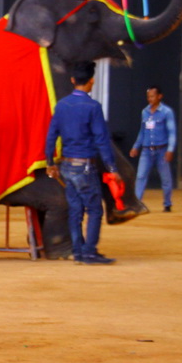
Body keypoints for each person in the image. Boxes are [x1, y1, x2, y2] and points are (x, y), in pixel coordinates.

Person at [44, 62, 122, 265]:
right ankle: (89, 252)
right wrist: (112, 168)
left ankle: (78, 252)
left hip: (66, 166)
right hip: (85, 165)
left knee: (75, 209)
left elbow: (51, 135)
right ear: (92, 81)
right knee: (95, 209)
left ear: (72, 80)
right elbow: (102, 140)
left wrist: (50, 162)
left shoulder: (61, 106)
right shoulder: (93, 107)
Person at [129, 85, 177, 212]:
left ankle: (167, 203)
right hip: (146, 150)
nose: (150, 99)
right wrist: (135, 147)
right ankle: (137, 203)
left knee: (166, 179)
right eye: (148, 96)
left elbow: (172, 132)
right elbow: (142, 131)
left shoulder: (166, 112)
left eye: (152, 96)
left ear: (159, 96)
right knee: (140, 176)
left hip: (161, 150)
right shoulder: (144, 112)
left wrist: (170, 149)